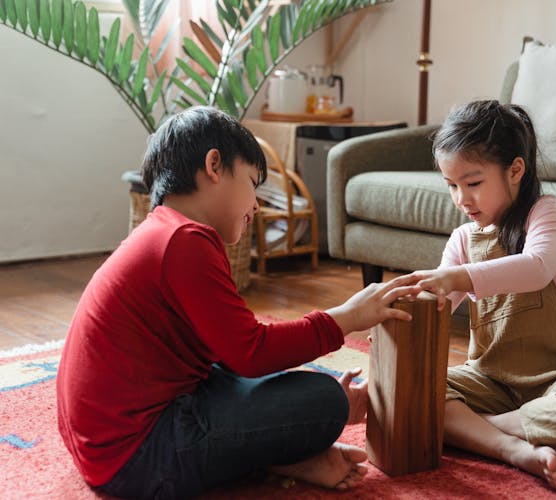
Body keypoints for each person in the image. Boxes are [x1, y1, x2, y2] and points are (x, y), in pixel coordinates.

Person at [56, 106, 421, 499]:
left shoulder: (163, 231)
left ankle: (283, 454)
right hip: (138, 458)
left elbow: (230, 355)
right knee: (324, 399)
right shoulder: (186, 241)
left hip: (109, 445)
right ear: (214, 165)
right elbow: (252, 352)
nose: (257, 205)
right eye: (253, 183)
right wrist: (346, 317)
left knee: (248, 376)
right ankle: (284, 453)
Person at [407, 100, 556, 490]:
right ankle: (512, 447)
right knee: (406, 388)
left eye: (473, 183)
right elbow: (435, 308)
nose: (461, 199)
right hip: (488, 380)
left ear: (515, 170)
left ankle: (481, 433)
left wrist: (454, 277)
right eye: (452, 186)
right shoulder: (462, 240)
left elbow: (537, 267)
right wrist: (399, 323)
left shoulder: (547, 214)